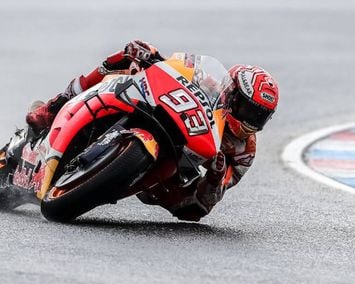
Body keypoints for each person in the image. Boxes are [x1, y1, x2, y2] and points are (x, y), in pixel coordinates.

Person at [26, 40, 279, 221]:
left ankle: (103, 181)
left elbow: (205, 204)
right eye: (248, 110)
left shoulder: (244, 151)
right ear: (232, 94)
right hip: (163, 111)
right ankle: (53, 106)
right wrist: (151, 57)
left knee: (190, 212)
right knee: (127, 57)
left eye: (260, 116)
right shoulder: (213, 83)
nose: (251, 120)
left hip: (170, 171)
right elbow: (179, 68)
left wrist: (214, 177)